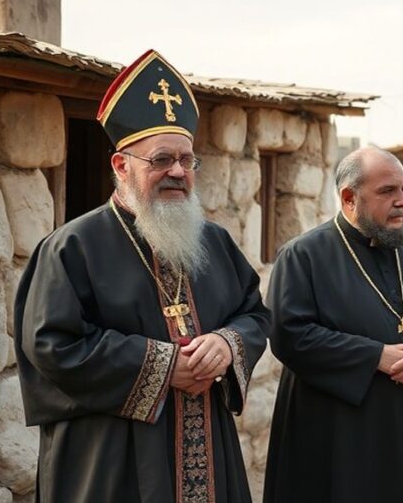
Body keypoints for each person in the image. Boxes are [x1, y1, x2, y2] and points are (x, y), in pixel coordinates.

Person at [14, 49, 269, 502]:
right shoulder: (72, 247)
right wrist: (165, 365)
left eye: (187, 160)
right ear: (121, 165)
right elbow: (52, 346)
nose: (177, 171)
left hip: (209, 446)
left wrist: (227, 345)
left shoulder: (214, 241)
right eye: (161, 159)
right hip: (111, 457)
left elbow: (254, 314)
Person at [264, 147, 403, 503]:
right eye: (388, 191)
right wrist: (375, 356)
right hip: (342, 430)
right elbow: (290, 334)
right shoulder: (304, 255)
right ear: (349, 198)